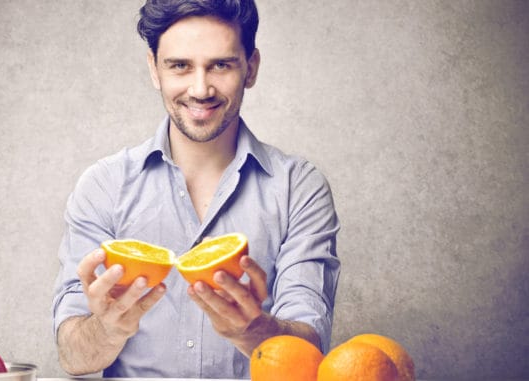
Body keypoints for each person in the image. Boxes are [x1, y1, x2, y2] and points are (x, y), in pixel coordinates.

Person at [52, 0, 340, 378]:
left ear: (251, 68)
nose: (201, 88)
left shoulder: (299, 189)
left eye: (221, 65)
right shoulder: (103, 186)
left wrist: (252, 331)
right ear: (154, 68)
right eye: (180, 66)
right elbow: (74, 358)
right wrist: (107, 328)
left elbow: (310, 350)